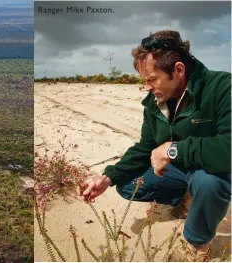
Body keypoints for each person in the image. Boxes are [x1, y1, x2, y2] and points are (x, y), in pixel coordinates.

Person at [76, 30, 231, 261]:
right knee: (128, 185)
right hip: (176, 168)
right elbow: (145, 146)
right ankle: (186, 198)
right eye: (143, 81)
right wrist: (107, 177)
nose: (146, 87)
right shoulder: (154, 102)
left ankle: (197, 242)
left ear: (178, 70)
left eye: (151, 79)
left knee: (209, 183)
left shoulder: (222, 86)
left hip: (207, 167)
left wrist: (171, 149)